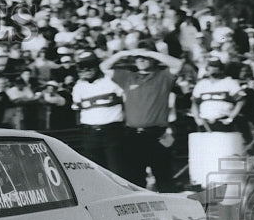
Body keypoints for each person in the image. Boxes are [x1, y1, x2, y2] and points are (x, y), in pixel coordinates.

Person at [101, 47, 183, 190]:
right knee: (135, 179)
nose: (141, 60)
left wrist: (150, 52)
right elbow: (104, 66)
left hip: (157, 134)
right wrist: (123, 53)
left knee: (164, 178)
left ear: (153, 59)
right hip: (133, 136)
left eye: (144, 58)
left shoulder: (162, 77)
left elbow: (178, 64)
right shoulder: (128, 77)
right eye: (138, 58)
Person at [70, 51, 128, 177]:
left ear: (97, 65)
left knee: (117, 171)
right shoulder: (78, 87)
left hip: (112, 131)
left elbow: (126, 102)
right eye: (82, 66)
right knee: (96, 172)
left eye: (90, 65)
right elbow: (78, 109)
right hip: (90, 133)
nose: (87, 69)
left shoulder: (111, 81)